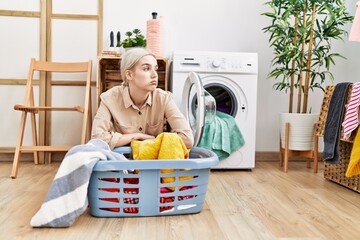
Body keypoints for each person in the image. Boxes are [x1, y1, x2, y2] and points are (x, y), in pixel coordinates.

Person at [91, 47, 194, 149]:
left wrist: (153, 141)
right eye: (146, 69)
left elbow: (187, 138)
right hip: (122, 162)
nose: (154, 75)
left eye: (155, 69)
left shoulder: (164, 98)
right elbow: (96, 139)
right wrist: (137, 136)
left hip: (151, 163)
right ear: (129, 75)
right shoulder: (109, 98)